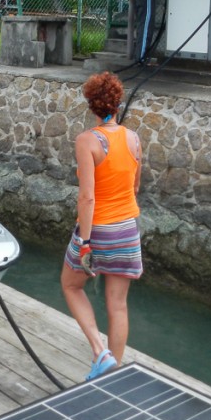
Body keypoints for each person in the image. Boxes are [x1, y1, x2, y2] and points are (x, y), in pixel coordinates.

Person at [61, 71, 143, 381]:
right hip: (127, 228)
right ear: (117, 105)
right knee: (118, 304)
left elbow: (87, 197)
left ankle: (100, 351)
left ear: (92, 105)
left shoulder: (88, 140)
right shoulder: (134, 138)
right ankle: (114, 372)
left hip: (99, 228)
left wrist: (84, 241)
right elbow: (135, 186)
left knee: (71, 285)